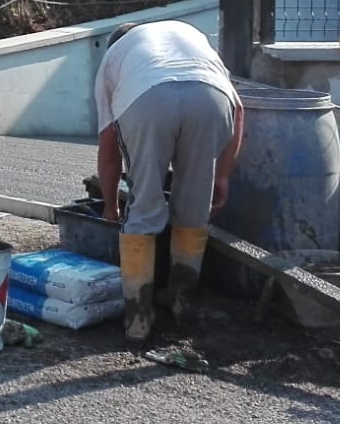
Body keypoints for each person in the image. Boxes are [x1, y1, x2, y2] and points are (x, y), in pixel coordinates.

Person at [93, 20, 245, 341]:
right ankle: (181, 300)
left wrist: (110, 207)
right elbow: (239, 111)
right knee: (193, 210)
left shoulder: (113, 57)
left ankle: (138, 318)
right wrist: (222, 176)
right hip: (211, 98)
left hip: (148, 101)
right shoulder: (189, 34)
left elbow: (108, 149)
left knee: (143, 206)